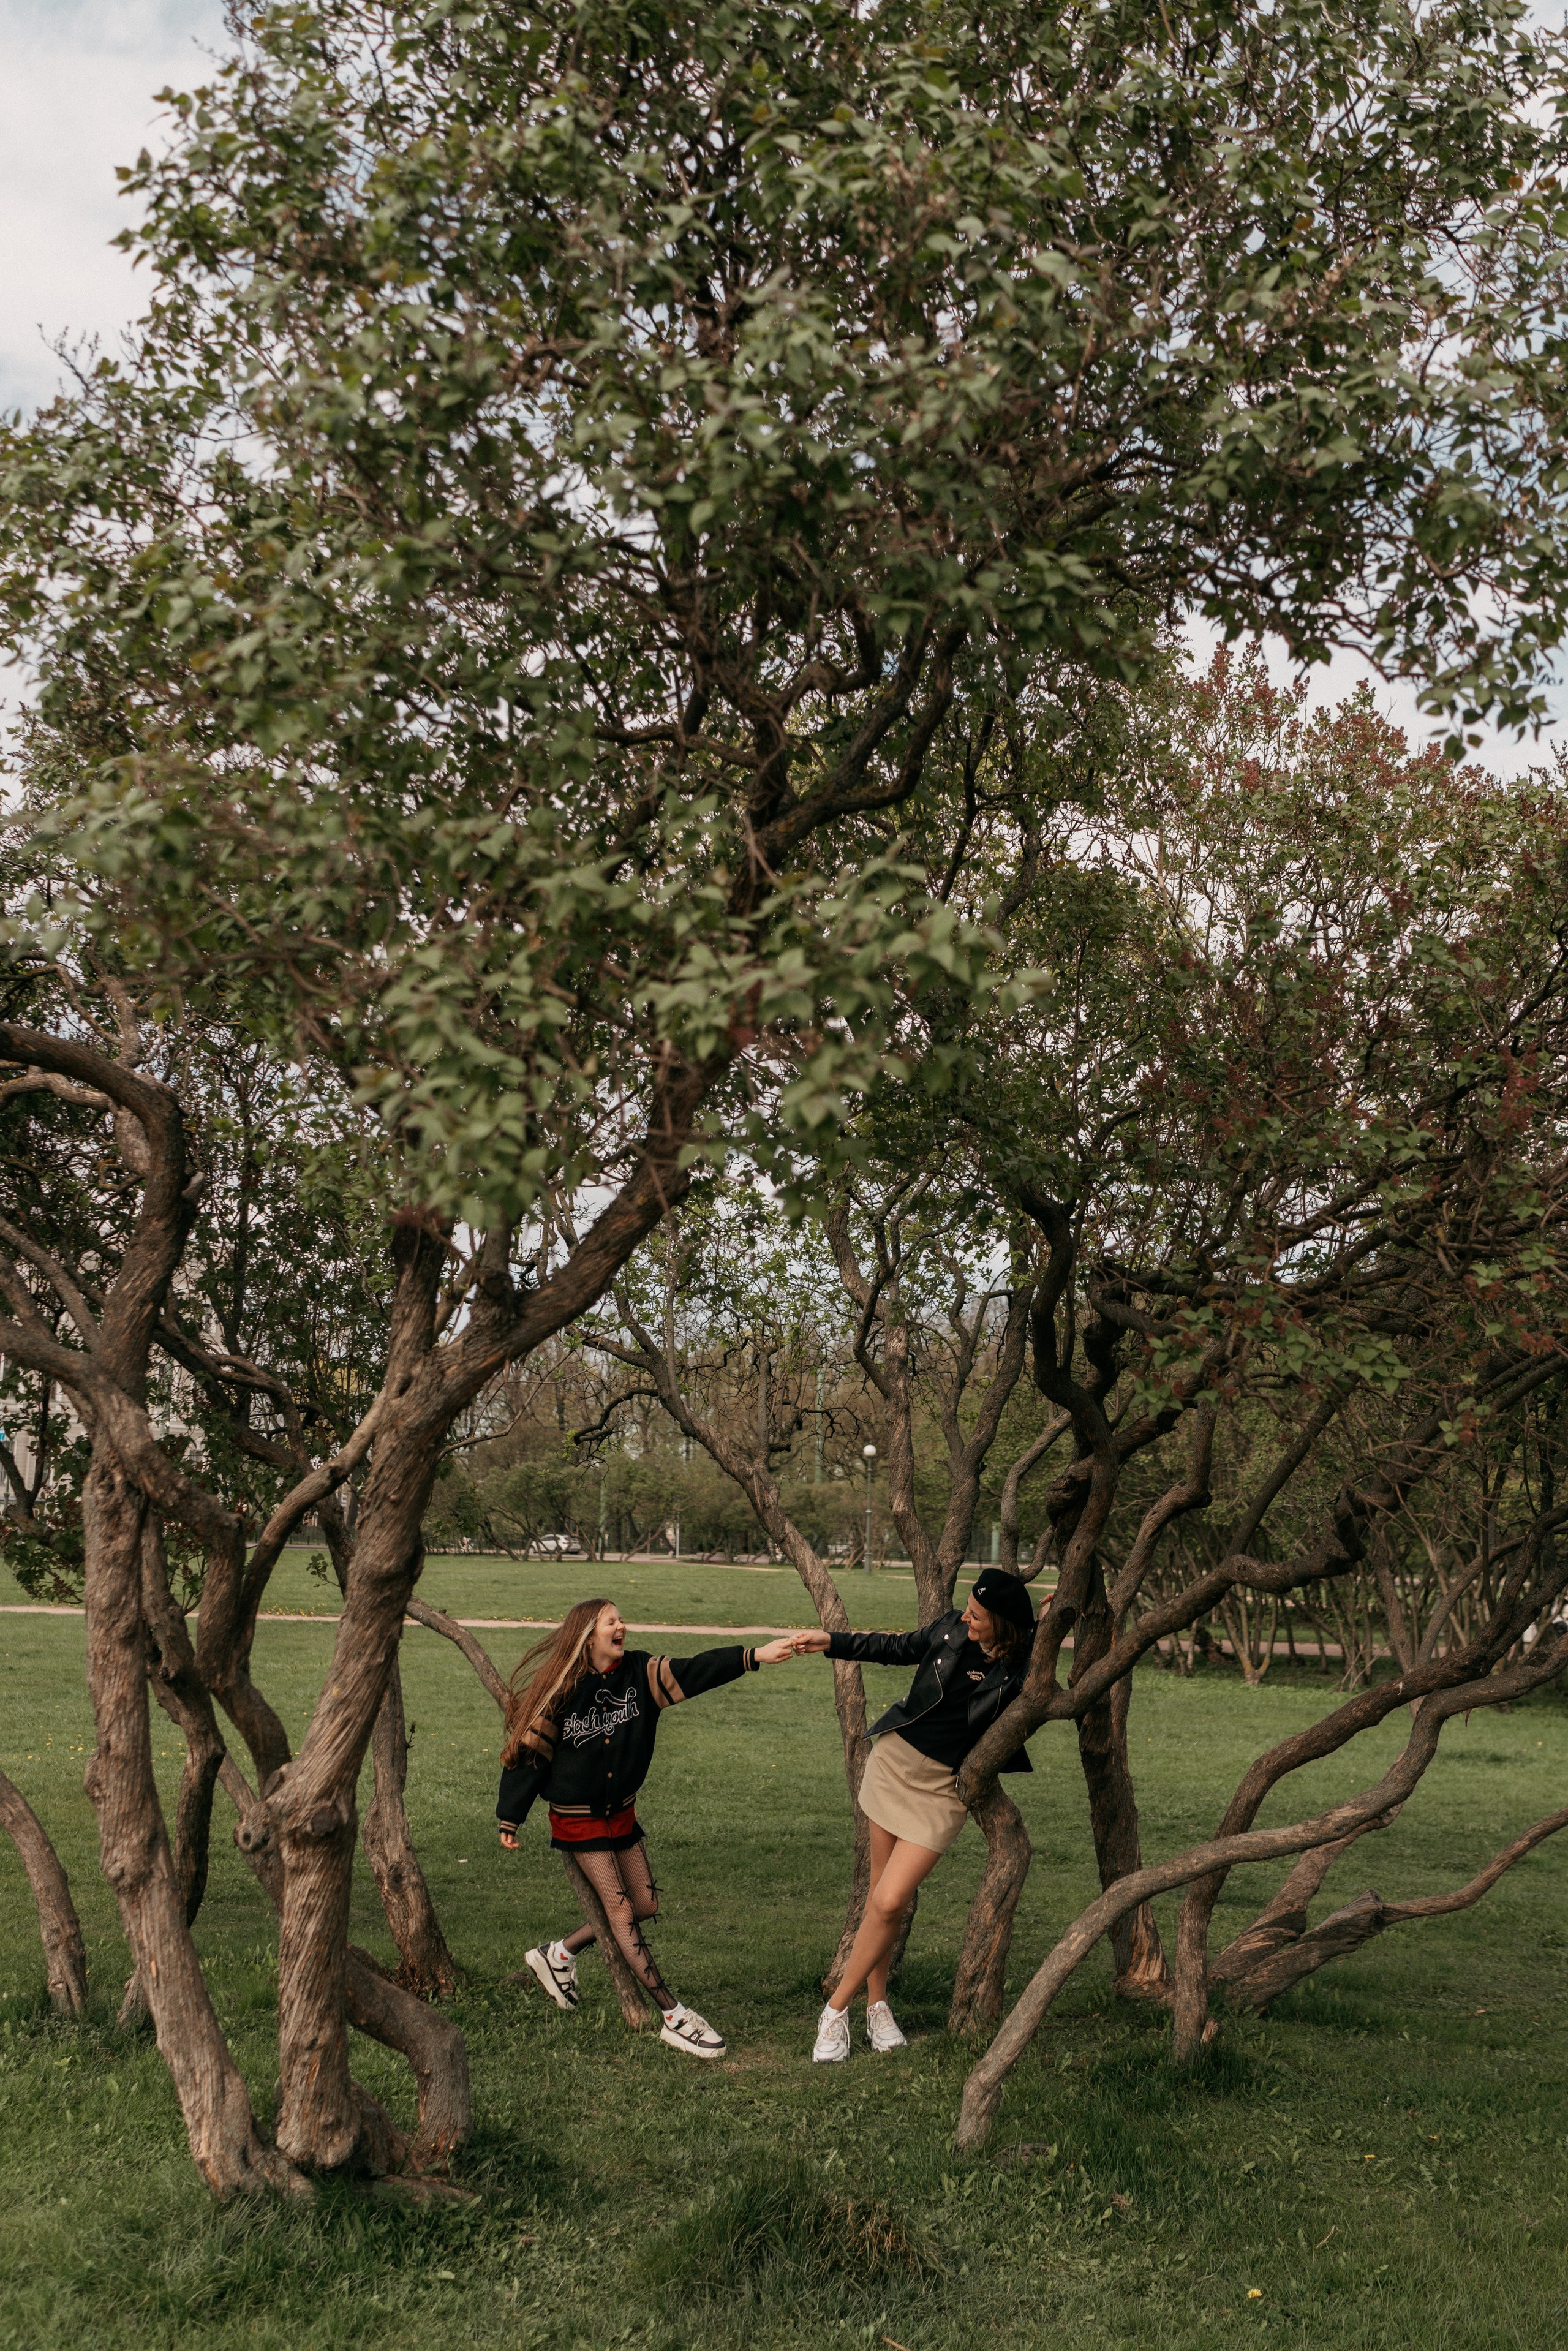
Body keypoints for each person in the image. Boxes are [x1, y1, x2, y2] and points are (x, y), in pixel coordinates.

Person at [496, 1596, 797, 2059]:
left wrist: (753, 1657)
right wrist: (510, 1816)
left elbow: (697, 1669)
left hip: (622, 1812)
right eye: (611, 1621)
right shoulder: (559, 1690)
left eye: (621, 1620)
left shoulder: (642, 1674)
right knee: (619, 1910)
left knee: (644, 1902)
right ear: (587, 1635)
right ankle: (674, 2016)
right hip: (579, 1817)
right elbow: (530, 1754)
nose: (622, 1626)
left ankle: (557, 1955)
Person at [788, 1566, 1037, 2061]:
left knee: (890, 1900)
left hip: (943, 1792)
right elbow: (895, 1648)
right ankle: (876, 2006)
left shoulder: (1021, 1664)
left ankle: (835, 2010)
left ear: (1004, 1625)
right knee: (885, 1901)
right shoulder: (949, 1629)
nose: (967, 1616)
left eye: (979, 1614)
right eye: (968, 1606)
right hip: (894, 1765)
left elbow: (1039, 1645)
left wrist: (1050, 1614)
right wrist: (829, 1640)